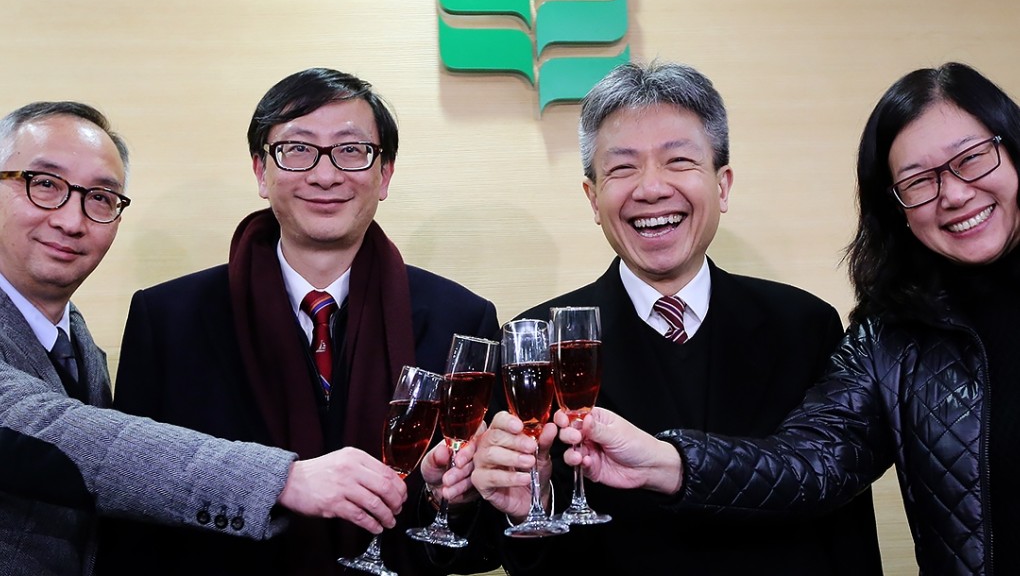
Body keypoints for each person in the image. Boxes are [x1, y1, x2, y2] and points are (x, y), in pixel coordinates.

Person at [555, 61, 1020, 575]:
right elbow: (813, 467)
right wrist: (669, 462)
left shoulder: (804, 323)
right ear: (897, 207)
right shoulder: (892, 339)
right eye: (919, 181)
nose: (953, 194)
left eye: (973, 159)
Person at [467, 61, 883, 575]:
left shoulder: (805, 327)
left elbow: (840, 523)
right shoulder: (534, 342)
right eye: (622, 168)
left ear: (723, 184)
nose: (651, 188)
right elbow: (523, 552)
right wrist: (530, 503)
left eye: (678, 161)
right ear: (593, 198)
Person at [103, 68, 501, 575]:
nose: (325, 174)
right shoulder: (168, 319)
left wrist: (457, 500)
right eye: (298, 149)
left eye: (352, 150)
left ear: (385, 175)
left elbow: (483, 545)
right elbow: (134, 506)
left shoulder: (462, 320)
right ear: (260, 172)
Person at [0, 101, 415, 576]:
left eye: (100, 197)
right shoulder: (167, 316)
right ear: (262, 170)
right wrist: (283, 480)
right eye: (44, 184)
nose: (72, 220)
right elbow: (60, 434)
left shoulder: (79, 346)